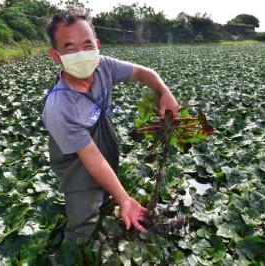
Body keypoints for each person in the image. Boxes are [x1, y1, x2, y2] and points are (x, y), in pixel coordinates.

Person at [42, 7, 179, 242]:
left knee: (109, 168)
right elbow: (92, 159)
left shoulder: (103, 65)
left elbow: (144, 73)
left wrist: (164, 91)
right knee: (84, 207)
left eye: (87, 45)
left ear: (97, 44)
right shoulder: (59, 107)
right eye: (70, 48)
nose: (81, 54)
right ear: (56, 56)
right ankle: (75, 246)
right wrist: (124, 199)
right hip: (74, 156)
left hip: (99, 125)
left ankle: (106, 197)